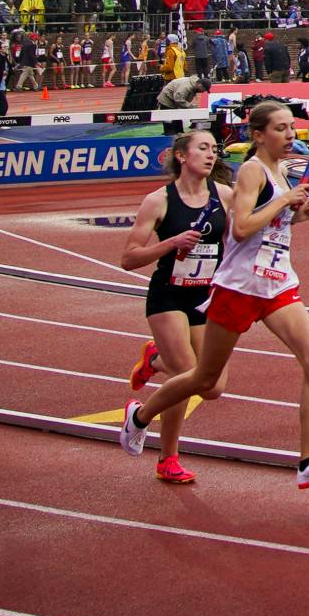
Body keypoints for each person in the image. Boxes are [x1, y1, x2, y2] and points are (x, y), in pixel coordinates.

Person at [120, 103, 309, 490]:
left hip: (276, 283)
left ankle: (308, 461)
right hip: (237, 286)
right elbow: (241, 229)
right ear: (258, 135)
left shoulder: (280, 172)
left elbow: (273, 225)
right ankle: (140, 418)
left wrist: (301, 212)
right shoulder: (254, 170)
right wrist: (282, 203)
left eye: (292, 128)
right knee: (206, 379)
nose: (291, 135)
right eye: (281, 128)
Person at [122, 130, 235, 484]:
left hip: (205, 299)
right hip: (168, 297)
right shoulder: (158, 201)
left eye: (214, 150)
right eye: (202, 148)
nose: (210, 155)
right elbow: (128, 258)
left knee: (212, 387)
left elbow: (240, 239)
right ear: (182, 156)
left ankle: (155, 359)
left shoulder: (225, 197)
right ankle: (166, 457)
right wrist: (171, 242)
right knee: (187, 376)